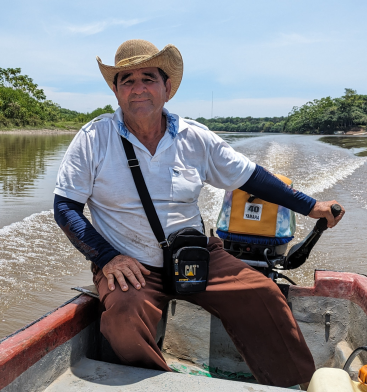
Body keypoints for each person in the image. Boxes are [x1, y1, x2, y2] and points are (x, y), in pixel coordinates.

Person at [53, 39, 344, 389]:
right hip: (129, 264)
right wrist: (107, 257)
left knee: (264, 294)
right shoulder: (93, 138)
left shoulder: (195, 138)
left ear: (168, 88)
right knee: (123, 322)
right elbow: (65, 206)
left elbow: (253, 177)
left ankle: (293, 383)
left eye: (148, 78)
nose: (138, 88)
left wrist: (312, 206)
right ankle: (161, 381)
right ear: (116, 92)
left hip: (195, 256)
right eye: (127, 80)